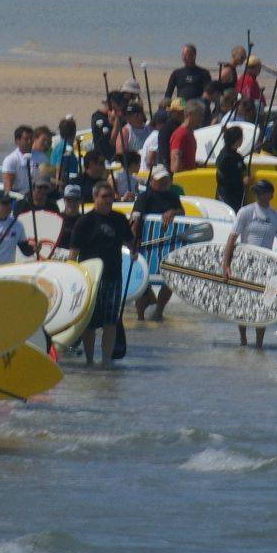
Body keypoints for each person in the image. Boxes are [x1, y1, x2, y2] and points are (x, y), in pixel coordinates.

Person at [70, 183, 132, 367]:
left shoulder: (119, 219)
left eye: (111, 196)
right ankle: (89, 359)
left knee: (111, 321)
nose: (108, 200)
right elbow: (73, 253)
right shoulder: (84, 222)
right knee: (89, 323)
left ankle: (106, 361)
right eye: (104, 196)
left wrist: (134, 244)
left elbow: (130, 243)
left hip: (114, 276)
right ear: (95, 197)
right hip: (91, 279)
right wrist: (73, 279)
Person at [222, 177, 277, 348]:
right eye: (256, 192)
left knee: (263, 305)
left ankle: (259, 344)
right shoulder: (246, 211)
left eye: (261, 191)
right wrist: (226, 265)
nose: (258, 194)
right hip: (244, 263)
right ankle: (243, 339)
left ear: (271, 195)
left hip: (266, 266)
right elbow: (232, 238)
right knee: (243, 303)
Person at [131, 166, 182, 322]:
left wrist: (173, 212)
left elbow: (182, 212)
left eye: (166, 180)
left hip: (168, 245)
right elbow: (135, 220)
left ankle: (159, 310)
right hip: (146, 245)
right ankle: (141, 317)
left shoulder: (173, 197)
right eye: (160, 180)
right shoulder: (144, 197)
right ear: (151, 181)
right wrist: (133, 245)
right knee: (142, 282)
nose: (164, 183)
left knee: (170, 279)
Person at [214, 125, 248, 210]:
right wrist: (242, 181)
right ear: (237, 140)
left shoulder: (236, 156)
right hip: (228, 197)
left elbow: (243, 169)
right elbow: (224, 179)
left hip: (235, 196)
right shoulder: (226, 157)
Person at [0, 125, 39, 195]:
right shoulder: (10, 160)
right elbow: (7, 188)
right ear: (17, 141)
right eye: (26, 139)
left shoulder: (40, 157)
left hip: (37, 196)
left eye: (31, 139)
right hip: (20, 197)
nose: (30, 142)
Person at [168, 100, 204, 174]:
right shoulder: (180, 134)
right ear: (190, 115)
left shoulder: (189, 133)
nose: (201, 118)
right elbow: (175, 162)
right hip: (184, 179)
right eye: (199, 115)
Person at [50, 116, 81, 186]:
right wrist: (60, 186)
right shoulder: (66, 148)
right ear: (74, 132)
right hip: (65, 184)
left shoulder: (61, 145)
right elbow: (60, 168)